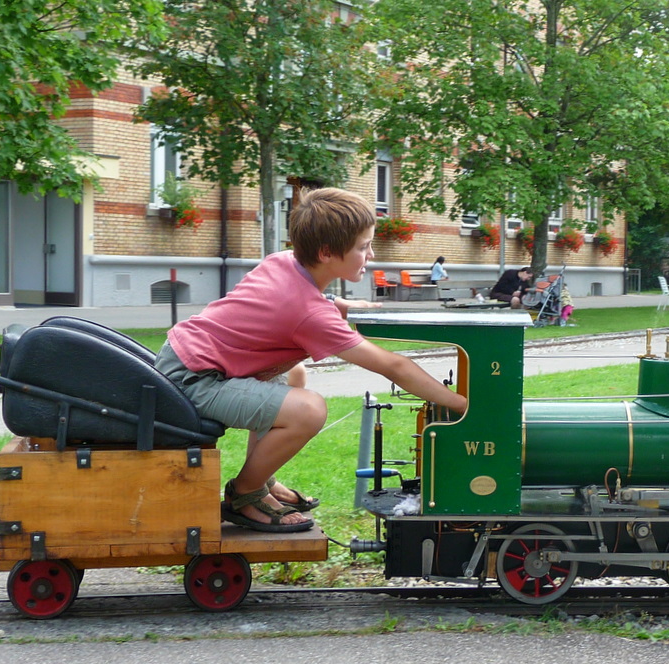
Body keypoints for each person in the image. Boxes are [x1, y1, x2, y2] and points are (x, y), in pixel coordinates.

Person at [154, 188, 467, 533]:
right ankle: (245, 493)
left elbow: (284, 299)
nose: (371, 254)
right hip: (196, 380)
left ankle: (262, 479)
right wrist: (461, 404)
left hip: (180, 359)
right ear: (327, 253)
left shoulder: (283, 261)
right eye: (363, 247)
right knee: (309, 410)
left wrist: (338, 304)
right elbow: (393, 366)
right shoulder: (310, 315)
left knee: (295, 376)